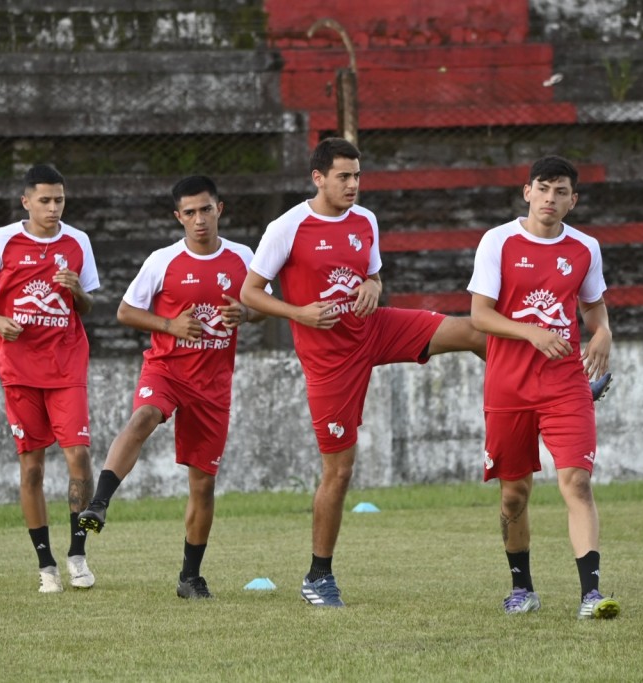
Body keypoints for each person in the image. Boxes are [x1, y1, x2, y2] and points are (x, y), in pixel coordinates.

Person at [239, 137, 493, 608]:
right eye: (343, 177)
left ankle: (541, 389)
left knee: (476, 331)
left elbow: (372, 274)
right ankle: (318, 577)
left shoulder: (366, 220)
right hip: (330, 360)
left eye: (357, 176)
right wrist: (300, 313)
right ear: (318, 178)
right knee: (339, 471)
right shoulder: (287, 226)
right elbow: (251, 293)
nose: (353, 185)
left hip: (375, 329)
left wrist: (374, 285)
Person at [78, 175, 265, 599]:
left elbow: (263, 306)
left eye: (206, 209)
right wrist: (170, 325)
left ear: (220, 208)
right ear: (178, 217)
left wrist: (247, 315)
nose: (199, 219)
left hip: (213, 386)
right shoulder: (162, 261)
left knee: (202, 485)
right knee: (144, 416)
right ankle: (100, 503)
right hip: (166, 370)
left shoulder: (244, 258)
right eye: (190, 212)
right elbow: (125, 311)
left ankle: (189, 578)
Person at [467, 155, 620, 620]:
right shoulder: (498, 241)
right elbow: (480, 315)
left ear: (573, 201)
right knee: (514, 494)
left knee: (577, 482)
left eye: (561, 191)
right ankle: (522, 589)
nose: (550, 198)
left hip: (565, 384)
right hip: (508, 385)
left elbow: (595, 313)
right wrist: (532, 332)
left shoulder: (585, 248)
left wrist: (604, 333)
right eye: (543, 188)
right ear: (527, 191)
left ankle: (591, 595)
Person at [0, 164, 101, 593]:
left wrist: (77, 289)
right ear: (26, 201)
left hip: (66, 366)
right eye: (44, 200)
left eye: (59, 200)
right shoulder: (2, 239)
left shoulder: (78, 241)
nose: (53, 208)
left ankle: (78, 554)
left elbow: (88, 306)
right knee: (32, 468)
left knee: (78, 457)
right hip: (19, 370)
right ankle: (46, 567)